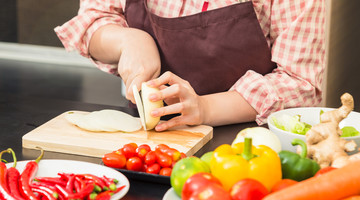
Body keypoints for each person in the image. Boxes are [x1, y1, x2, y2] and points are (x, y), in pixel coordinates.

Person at [55, 0, 325, 132]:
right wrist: (128, 40)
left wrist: (205, 108)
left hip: (249, 146)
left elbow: (303, 82)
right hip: (151, 142)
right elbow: (94, 18)